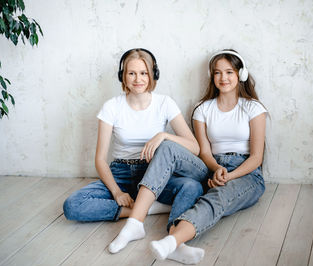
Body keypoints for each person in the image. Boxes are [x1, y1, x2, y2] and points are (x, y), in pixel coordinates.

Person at [63, 49, 208, 245]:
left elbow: (194, 147)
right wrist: (117, 192)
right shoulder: (111, 107)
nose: (137, 79)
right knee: (72, 206)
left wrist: (164, 135)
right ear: (123, 76)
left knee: (192, 187)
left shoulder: (165, 103)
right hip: (120, 174)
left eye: (143, 73)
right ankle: (145, 209)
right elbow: (99, 159)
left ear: (152, 75)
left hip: (154, 172)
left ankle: (172, 236)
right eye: (131, 73)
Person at [148, 49, 267, 264]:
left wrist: (228, 177)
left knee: (217, 198)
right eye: (218, 73)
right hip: (210, 166)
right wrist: (216, 169)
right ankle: (154, 227)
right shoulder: (202, 109)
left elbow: (257, 157)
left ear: (240, 74)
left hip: (245, 172)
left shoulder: (253, 108)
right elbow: (203, 151)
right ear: (212, 76)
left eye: (229, 72)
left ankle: (171, 241)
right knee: (170, 148)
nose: (223, 78)